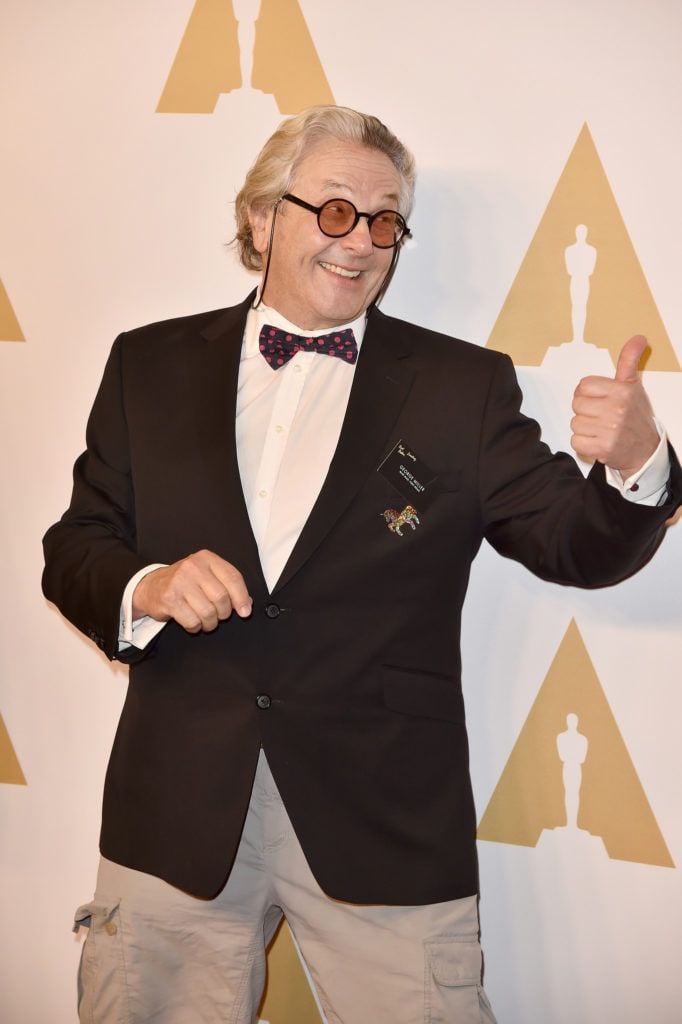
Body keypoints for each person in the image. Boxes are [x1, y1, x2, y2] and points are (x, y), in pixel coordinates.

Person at [42, 105, 680, 1024]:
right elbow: (78, 547)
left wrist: (635, 466)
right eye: (336, 211)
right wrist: (151, 587)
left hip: (383, 815)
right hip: (173, 806)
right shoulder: (147, 364)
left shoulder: (462, 387)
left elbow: (570, 542)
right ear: (263, 219)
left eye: (385, 222)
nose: (364, 242)